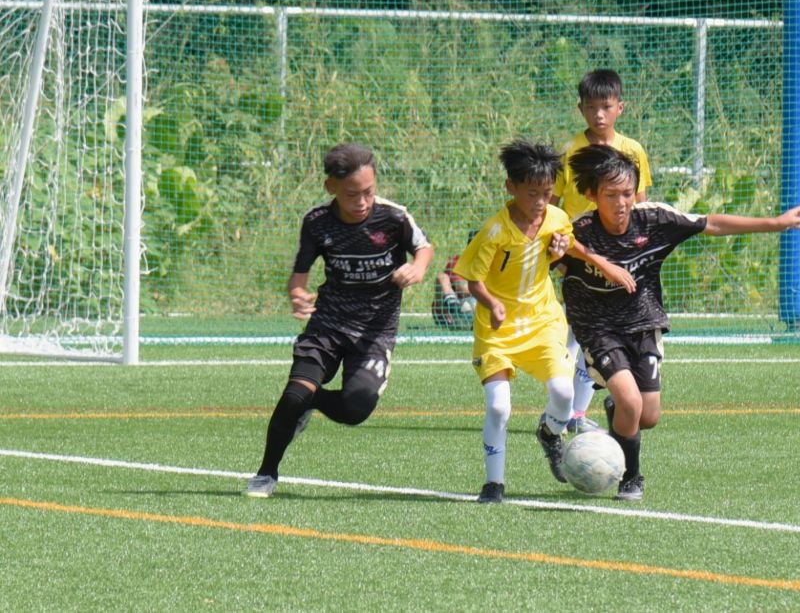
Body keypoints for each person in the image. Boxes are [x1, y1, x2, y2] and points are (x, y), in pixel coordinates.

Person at [561, 144, 800, 501]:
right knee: (631, 402)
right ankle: (631, 477)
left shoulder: (654, 219)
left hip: (643, 324)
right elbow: (550, 243)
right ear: (591, 194)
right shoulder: (581, 230)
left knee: (648, 416)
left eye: (627, 193)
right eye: (611, 195)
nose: (621, 203)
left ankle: (618, 412)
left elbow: (711, 223)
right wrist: (599, 262)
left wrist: (774, 223)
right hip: (598, 328)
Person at [244, 143, 434, 498]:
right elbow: (299, 275)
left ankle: (314, 402)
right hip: (328, 325)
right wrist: (297, 294)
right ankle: (266, 473)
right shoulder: (317, 222)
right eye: (352, 194)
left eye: (368, 192)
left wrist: (418, 268)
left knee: (355, 408)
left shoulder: (393, 217)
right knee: (294, 394)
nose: (362, 201)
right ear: (331, 187)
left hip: (374, 333)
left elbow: (424, 248)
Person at [454, 139, 634, 504]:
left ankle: (550, 433)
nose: (540, 201)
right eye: (532, 193)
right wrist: (492, 303)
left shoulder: (555, 217)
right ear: (511, 187)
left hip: (542, 322)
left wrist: (600, 263)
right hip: (497, 330)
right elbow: (473, 281)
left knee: (564, 393)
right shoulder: (494, 231)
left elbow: (567, 244)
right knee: (499, 407)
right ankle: (494, 484)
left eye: (547, 193)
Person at [551, 69, 655, 434]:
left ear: (620, 108)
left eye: (606, 106)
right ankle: (562, 410)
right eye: (591, 107)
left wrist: (639, 256)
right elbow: (552, 206)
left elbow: (641, 208)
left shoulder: (633, 151)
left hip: (620, 259)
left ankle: (577, 414)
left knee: (602, 334)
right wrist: (559, 256)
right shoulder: (569, 152)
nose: (599, 114)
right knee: (574, 334)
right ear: (580, 108)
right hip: (578, 253)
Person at [431, 230, 477, 331]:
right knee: (442, 277)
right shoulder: (458, 261)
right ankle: (453, 308)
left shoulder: (491, 264)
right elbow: (462, 288)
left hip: (474, 308)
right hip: (452, 312)